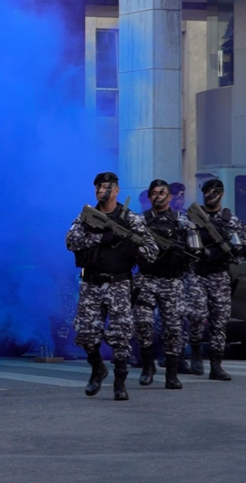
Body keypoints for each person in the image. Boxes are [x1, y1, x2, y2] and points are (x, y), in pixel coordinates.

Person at [65, 172, 158, 401]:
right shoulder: (86, 217)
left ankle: (120, 381)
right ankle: (97, 367)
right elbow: (70, 241)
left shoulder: (131, 219)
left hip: (119, 282)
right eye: (98, 186)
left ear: (116, 191)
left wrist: (133, 247)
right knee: (86, 332)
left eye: (106, 186)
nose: (101, 190)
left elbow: (152, 249)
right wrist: (100, 239)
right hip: (91, 282)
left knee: (120, 334)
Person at [133, 179, 197, 390]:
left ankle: (171, 373)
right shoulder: (139, 221)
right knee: (143, 322)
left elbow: (196, 251)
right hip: (147, 278)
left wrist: (182, 253)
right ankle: (148, 365)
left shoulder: (183, 222)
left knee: (173, 327)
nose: (159, 195)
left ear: (170, 197)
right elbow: (128, 248)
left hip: (171, 281)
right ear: (150, 197)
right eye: (155, 192)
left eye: (163, 192)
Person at [185, 178, 246, 381]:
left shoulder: (230, 220)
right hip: (197, 273)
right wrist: (198, 252)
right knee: (196, 315)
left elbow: (244, 248)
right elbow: (184, 242)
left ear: (221, 194)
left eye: (214, 192)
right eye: (207, 192)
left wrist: (240, 249)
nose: (210, 195)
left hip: (219, 274)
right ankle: (196, 351)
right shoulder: (193, 218)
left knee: (220, 321)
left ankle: (216, 364)